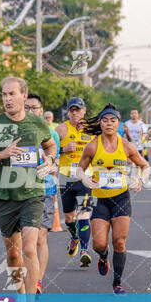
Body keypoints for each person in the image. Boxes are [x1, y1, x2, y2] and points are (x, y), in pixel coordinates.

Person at [0, 77, 57, 294]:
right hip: (5, 196)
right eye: (4, 94)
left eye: (12, 94)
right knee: (13, 254)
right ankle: (21, 293)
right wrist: (2, 154)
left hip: (33, 193)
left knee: (30, 248)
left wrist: (50, 160)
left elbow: (50, 146)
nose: (7, 98)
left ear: (24, 96)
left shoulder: (37, 123)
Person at [77, 103, 150, 294]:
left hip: (121, 198)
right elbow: (79, 169)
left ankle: (117, 283)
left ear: (118, 123)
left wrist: (141, 180)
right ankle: (103, 256)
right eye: (105, 120)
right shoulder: (92, 146)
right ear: (100, 123)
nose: (109, 123)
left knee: (119, 241)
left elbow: (146, 166)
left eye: (113, 120)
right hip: (99, 199)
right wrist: (85, 178)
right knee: (99, 244)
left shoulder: (126, 146)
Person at [25, 93, 60, 294]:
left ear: (41, 110)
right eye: (27, 108)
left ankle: (37, 281)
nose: (31, 111)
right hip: (21, 191)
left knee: (40, 239)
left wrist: (46, 166)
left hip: (45, 189)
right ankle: (29, 277)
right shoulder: (16, 132)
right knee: (25, 241)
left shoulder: (51, 134)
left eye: (34, 108)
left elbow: (55, 164)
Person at [55, 97, 94, 267]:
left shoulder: (93, 130)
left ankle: (85, 251)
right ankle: (75, 237)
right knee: (69, 217)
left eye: (78, 109)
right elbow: (47, 149)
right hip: (66, 178)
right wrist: (63, 149)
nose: (75, 112)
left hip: (85, 178)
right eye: (72, 110)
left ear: (84, 111)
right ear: (68, 112)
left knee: (84, 213)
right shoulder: (61, 129)